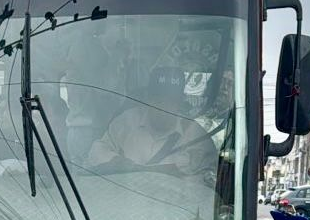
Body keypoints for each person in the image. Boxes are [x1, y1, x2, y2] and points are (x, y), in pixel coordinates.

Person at [85, 66, 217, 177]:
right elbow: (96, 152)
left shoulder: (195, 134)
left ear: (181, 102)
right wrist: (118, 162)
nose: (164, 108)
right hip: (127, 200)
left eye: (171, 102)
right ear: (147, 99)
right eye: (158, 101)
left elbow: (209, 179)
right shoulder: (127, 121)